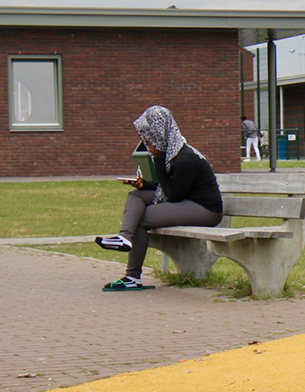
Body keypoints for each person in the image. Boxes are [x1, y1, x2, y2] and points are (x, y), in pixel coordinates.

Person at [95, 106, 223, 291]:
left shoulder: (184, 159)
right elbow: (171, 189)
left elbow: (174, 196)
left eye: (149, 139)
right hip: (185, 200)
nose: (146, 144)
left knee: (142, 218)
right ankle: (124, 238)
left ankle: (132, 277)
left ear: (160, 134)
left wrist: (157, 161)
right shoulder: (172, 153)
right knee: (136, 195)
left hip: (206, 210)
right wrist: (144, 185)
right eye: (144, 139)